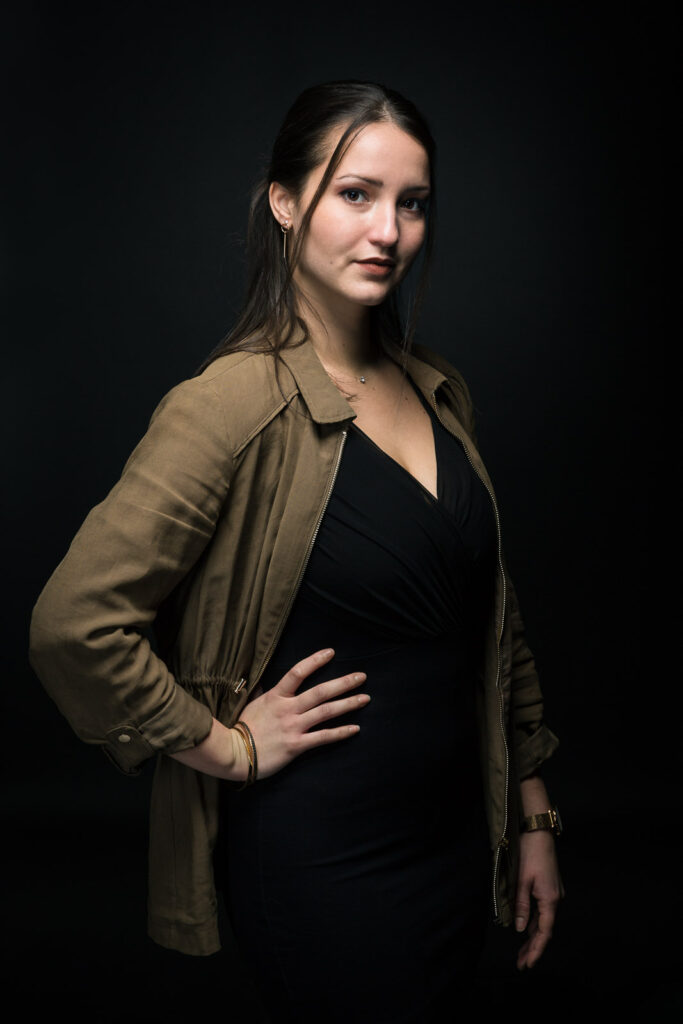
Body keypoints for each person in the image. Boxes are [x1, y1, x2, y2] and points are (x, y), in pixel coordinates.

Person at [29, 80, 564, 1022]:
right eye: (355, 194)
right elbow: (74, 626)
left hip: (453, 842)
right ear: (284, 202)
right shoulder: (232, 403)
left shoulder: (439, 390)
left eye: (411, 202)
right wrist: (224, 748)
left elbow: (495, 625)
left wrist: (530, 817)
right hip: (325, 864)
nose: (388, 231)